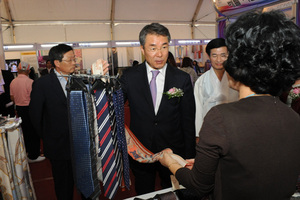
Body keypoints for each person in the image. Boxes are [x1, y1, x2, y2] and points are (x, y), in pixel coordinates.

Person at [159, 10, 300, 200]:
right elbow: (252, 166)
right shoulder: (292, 116)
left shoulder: (221, 117)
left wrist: (171, 163)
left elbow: (199, 185)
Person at [120, 23, 196, 195]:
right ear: (142, 48)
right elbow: (113, 105)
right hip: (141, 150)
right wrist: (102, 82)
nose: (160, 54)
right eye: (153, 48)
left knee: (173, 192)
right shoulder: (130, 77)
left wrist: (190, 154)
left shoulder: (181, 78)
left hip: (173, 150)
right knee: (144, 191)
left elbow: (188, 119)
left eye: (164, 47)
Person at [29, 44, 108, 200]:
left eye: (75, 59)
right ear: (57, 63)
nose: (75, 63)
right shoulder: (42, 84)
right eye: (71, 59)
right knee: (64, 187)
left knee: (88, 185)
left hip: (83, 146)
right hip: (59, 147)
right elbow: (35, 117)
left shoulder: (80, 81)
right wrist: (49, 137)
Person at [194, 38, 238, 141]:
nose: (219, 60)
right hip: (210, 129)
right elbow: (198, 109)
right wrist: (198, 135)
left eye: (223, 55)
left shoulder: (236, 79)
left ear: (228, 56)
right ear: (209, 56)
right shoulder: (201, 81)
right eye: (214, 55)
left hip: (234, 128)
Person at [10, 61, 45, 163]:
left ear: (18, 70)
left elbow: (12, 97)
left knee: (25, 131)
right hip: (30, 108)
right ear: (29, 71)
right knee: (34, 131)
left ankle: (29, 152)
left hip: (19, 109)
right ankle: (34, 155)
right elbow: (34, 98)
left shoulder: (13, 82)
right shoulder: (30, 82)